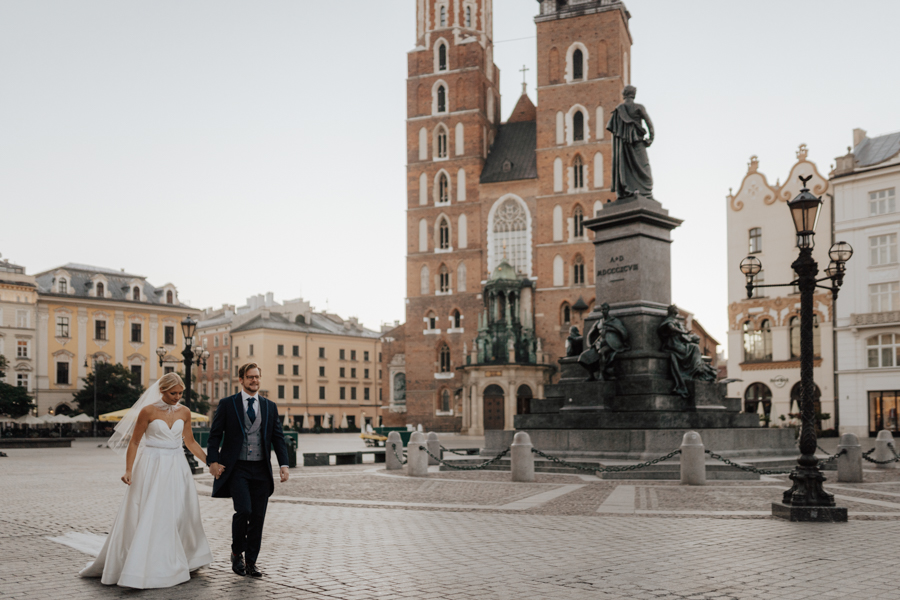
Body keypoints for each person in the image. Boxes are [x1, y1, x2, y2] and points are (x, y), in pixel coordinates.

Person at [80, 373, 212, 588]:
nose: (177, 397)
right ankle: (144, 563)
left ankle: (182, 556)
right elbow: (134, 443)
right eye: (173, 393)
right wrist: (128, 470)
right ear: (162, 390)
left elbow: (190, 442)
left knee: (179, 511)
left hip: (177, 466)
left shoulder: (185, 412)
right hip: (152, 465)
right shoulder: (148, 411)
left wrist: (209, 462)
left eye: (180, 393)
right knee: (152, 511)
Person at [207, 363, 290, 578]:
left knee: (258, 517)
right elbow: (215, 435)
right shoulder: (227, 404)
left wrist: (283, 465)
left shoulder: (269, 406)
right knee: (244, 510)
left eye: (257, 377)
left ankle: (252, 562)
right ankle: (237, 552)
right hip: (238, 468)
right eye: (250, 377)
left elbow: (277, 437)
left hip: (261, 469)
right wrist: (212, 461)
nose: (254, 381)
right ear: (241, 380)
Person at [657, 305, 718, 398]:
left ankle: (696, 369)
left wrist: (689, 337)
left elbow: (681, 334)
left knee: (694, 347)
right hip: (673, 344)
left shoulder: (675, 320)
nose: (677, 310)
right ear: (673, 311)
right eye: (676, 309)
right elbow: (671, 327)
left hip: (678, 342)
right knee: (693, 348)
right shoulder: (669, 320)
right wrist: (683, 332)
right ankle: (695, 370)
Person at [606, 85, 654, 200]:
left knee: (626, 169)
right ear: (634, 94)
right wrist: (651, 138)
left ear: (624, 95)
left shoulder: (619, 109)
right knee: (644, 168)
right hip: (638, 143)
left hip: (624, 146)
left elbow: (612, 128)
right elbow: (649, 123)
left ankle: (627, 190)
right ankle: (646, 193)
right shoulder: (639, 107)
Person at [578, 303, 630, 381]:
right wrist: (589, 344)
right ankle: (591, 375)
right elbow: (590, 334)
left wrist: (611, 329)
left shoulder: (614, 321)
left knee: (602, 352)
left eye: (605, 309)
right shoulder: (598, 322)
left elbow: (623, 332)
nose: (603, 311)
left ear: (608, 310)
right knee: (583, 357)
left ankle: (602, 374)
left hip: (611, 344)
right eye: (602, 309)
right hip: (599, 344)